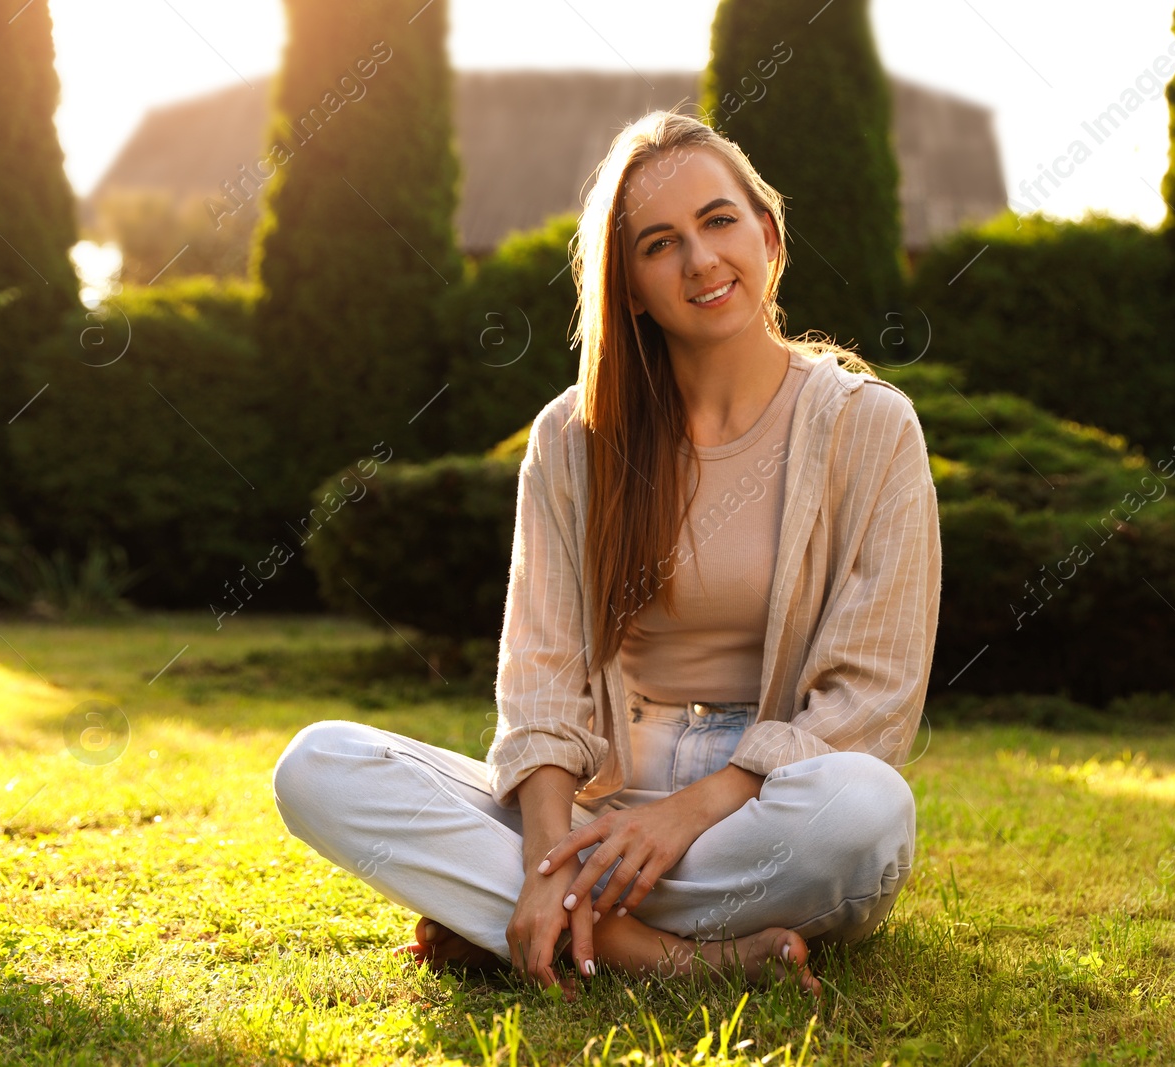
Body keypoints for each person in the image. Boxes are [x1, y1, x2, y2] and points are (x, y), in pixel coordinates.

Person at [271, 109, 942, 999]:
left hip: (769, 796)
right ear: (626, 284)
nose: (700, 261)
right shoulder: (574, 439)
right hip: (602, 796)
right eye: (659, 243)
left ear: (768, 236)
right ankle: (653, 949)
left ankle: (519, 919)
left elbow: (873, 694)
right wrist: (552, 852)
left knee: (865, 810)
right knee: (318, 767)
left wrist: (689, 812)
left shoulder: (871, 426)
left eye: (718, 221)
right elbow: (540, 678)